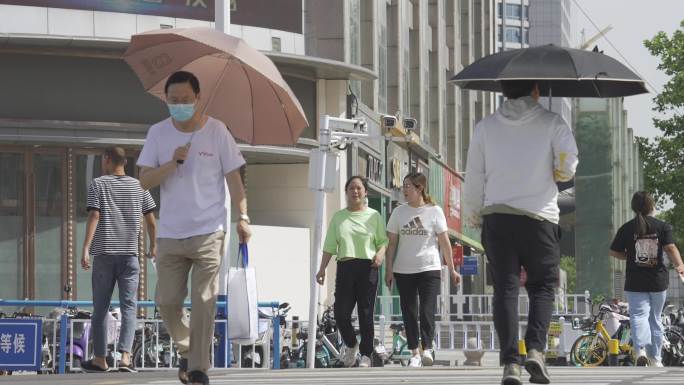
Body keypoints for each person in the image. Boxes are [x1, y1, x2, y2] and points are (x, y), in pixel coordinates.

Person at [137, 71, 251, 385]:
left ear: (197, 98)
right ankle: (187, 348)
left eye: (185, 100)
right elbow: (144, 180)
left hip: (209, 230)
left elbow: (234, 180)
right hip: (171, 232)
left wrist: (243, 217)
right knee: (167, 301)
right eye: (173, 101)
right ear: (166, 100)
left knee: (204, 300)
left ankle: (199, 368)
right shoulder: (158, 133)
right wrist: (171, 163)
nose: (179, 105)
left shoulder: (217, 132)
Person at [463, 80, 578, 385]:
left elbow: (473, 174)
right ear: (536, 91)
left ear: (504, 92)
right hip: (540, 217)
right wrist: (553, 170)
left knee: (505, 288)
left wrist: (473, 214)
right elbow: (567, 169)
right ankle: (536, 351)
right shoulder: (553, 122)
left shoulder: (485, 127)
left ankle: (510, 363)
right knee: (541, 287)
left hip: (497, 217)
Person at [80, 147, 157, 373]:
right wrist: (153, 245)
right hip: (130, 256)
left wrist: (85, 248)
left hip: (104, 255)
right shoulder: (139, 186)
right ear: (124, 162)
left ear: (106, 160)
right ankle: (125, 358)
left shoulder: (98, 184)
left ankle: (101, 359)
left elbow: (95, 214)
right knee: (129, 307)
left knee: (101, 308)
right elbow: (151, 220)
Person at [385, 172, 461, 367]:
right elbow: (391, 244)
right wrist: (389, 269)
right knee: (409, 311)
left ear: (420, 189)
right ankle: (414, 352)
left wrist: (452, 270)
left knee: (427, 310)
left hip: (430, 268)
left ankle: (427, 348)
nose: (404, 190)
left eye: (408, 186)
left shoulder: (434, 211)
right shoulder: (398, 212)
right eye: (403, 186)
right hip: (404, 270)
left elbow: (444, 243)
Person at [316, 176, 388, 368]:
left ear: (365, 192)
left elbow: (383, 241)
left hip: (368, 267)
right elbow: (330, 246)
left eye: (358, 188)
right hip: (346, 267)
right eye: (351, 188)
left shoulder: (374, 216)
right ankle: (351, 345)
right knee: (340, 313)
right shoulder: (339, 217)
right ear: (346, 192)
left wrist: (380, 255)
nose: (355, 192)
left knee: (366, 314)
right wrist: (322, 268)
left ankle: (365, 355)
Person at [609, 191, 684, 367]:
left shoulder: (627, 228)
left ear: (634, 207)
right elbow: (671, 248)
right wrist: (680, 265)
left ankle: (640, 350)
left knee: (638, 316)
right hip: (658, 281)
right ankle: (656, 359)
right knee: (655, 319)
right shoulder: (662, 226)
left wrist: (630, 257)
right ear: (652, 206)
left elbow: (613, 251)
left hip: (635, 281)